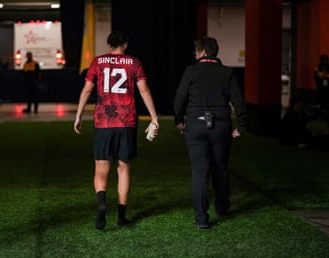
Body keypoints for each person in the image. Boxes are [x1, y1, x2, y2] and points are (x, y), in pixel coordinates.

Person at [74, 30, 159, 230]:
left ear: (108, 44)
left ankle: (102, 202)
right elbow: (144, 89)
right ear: (126, 45)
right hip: (126, 120)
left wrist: (78, 115)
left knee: (101, 167)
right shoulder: (135, 63)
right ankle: (121, 216)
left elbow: (87, 89)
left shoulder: (97, 62)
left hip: (103, 120)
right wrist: (154, 116)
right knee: (124, 168)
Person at [173, 37, 247, 229]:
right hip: (221, 126)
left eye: (196, 52)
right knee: (220, 168)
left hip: (196, 126)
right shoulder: (227, 72)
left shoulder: (191, 71)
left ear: (203, 52)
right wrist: (241, 124)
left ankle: (201, 219)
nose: (194, 55)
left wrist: (179, 120)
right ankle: (222, 207)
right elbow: (238, 101)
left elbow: (179, 99)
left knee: (200, 172)